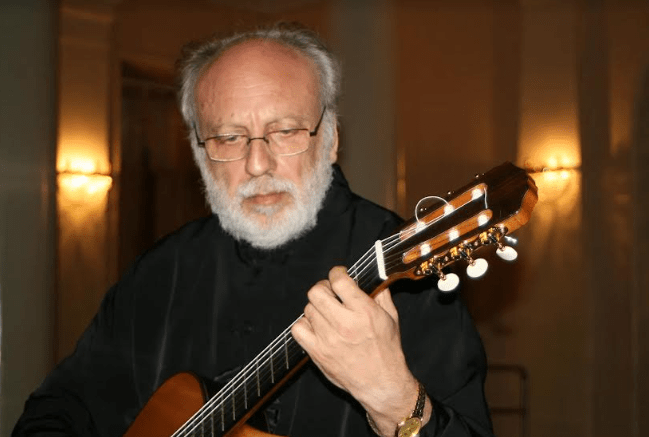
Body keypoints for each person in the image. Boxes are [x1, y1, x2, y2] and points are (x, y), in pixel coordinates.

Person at [13, 23, 493, 437]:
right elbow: (58, 409)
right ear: (200, 155)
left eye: (284, 131)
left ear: (330, 141)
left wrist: (395, 397)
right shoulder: (160, 272)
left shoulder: (410, 279)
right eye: (228, 137)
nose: (257, 163)